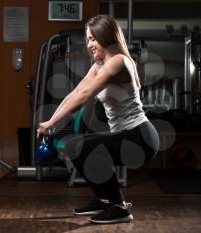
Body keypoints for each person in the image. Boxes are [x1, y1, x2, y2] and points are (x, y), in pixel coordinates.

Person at [37, 14, 159, 224]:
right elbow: (75, 93)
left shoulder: (118, 62)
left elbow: (85, 96)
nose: (89, 44)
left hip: (140, 137)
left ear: (106, 36)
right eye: (88, 39)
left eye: (93, 38)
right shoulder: (100, 65)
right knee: (73, 146)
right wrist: (51, 121)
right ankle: (103, 200)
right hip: (126, 135)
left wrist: (51, 123)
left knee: (84, 146)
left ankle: (119, 207)